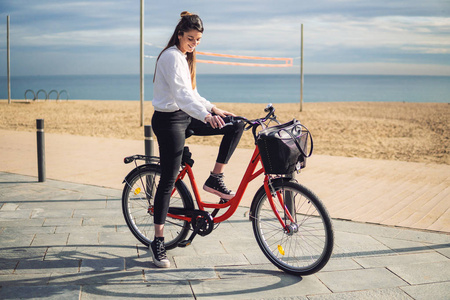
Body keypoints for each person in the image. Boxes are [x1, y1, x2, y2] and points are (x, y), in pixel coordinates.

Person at [150, 11, 245, 268]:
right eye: (191, 38)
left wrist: (214, 109)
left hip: (186, 115)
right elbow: (181, 96)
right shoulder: (171, 56)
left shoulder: (184, 57)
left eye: (198, 40)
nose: (194, 43)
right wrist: (204, 115)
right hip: (169, 121)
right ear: (180, 34)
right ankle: (158, 240)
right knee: (169, 178)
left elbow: (193, 94)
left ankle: (215, 178)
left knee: (236, 125)